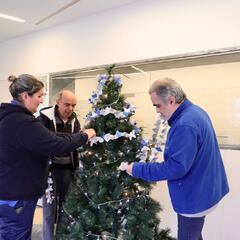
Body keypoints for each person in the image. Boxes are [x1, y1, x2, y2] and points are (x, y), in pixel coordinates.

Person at [120, 78, 229, 240]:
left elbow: (176, 167)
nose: (157, 111)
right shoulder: (195, 112)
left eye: (157, 105)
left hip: (195, 198)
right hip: (206, 190)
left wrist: (135, 169)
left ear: (171, 100)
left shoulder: (185, 124)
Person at [0, 74, 96, 240]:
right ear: (24, 96)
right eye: (38, 96)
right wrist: (85, 136)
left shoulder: (9, 118)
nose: (40, 101)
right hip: (17, 197)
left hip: (10, 193)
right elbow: (57, 144)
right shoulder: (24, 122)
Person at [37, 90, 81, 240]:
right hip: (49, 171)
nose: (70, 109)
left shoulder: (75, 121)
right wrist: (68, 140)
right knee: (49, 211)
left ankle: (62, 237)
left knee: (66, 209)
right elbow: (44, 142)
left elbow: (76, 143)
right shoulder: (44, 118)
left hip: (68, 170)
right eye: (67, 104)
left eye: (73, 105)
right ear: (57, 101)